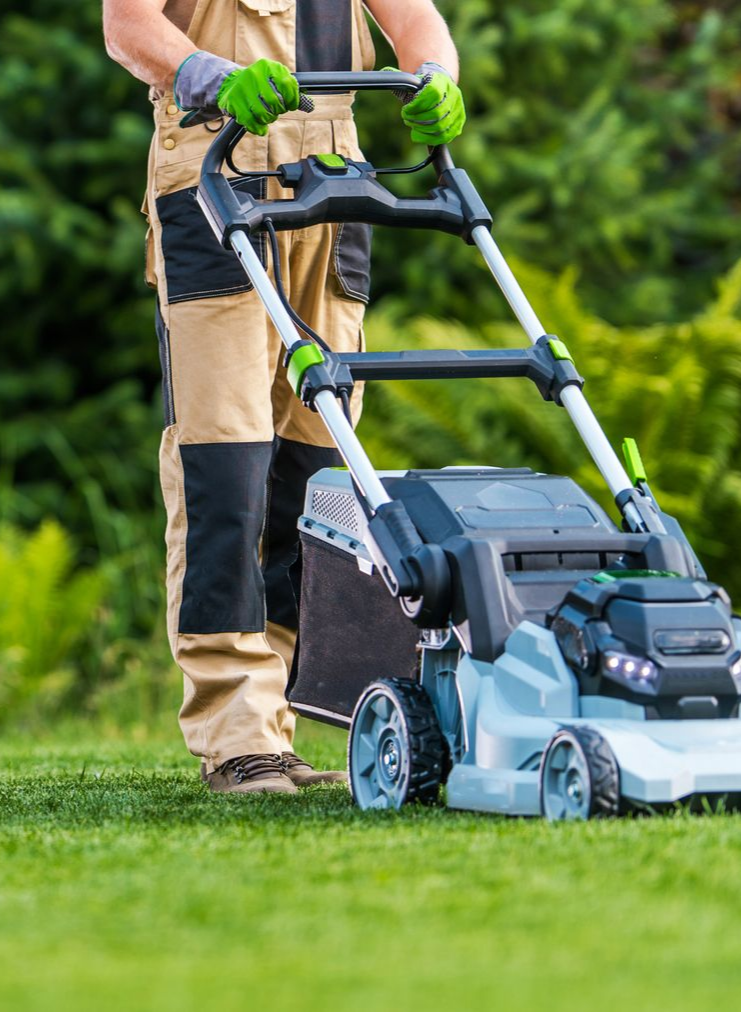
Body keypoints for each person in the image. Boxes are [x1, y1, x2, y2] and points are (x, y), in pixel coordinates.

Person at [102, 0, 465, 793]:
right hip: (212, 173)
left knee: (318, 472)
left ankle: (282, 721)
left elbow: (417, 23)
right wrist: (211, 77)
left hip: (330, 190)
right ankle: (237, 730)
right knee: (224, 464)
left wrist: (437, 75)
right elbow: (126, 25)